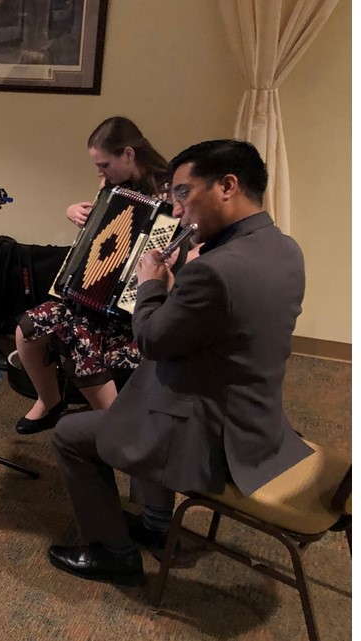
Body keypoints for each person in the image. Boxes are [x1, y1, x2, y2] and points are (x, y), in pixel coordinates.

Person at [46, 139, 313, 586]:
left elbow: (151, 338)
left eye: (184, 193)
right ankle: (153, 524)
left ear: (227, 186)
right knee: (133, 393)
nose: (178, 209)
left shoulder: (216, 270)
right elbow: (221, 322)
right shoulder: (284, 248)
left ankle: (114, 552)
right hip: (256, 416)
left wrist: (151, 283)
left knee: (71, 434)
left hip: (210, 432)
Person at [13, 116, 172, 434]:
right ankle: (50, 400)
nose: (100, 172)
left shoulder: (169, 195)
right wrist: (72, 212)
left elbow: (176, 259)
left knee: (77, 339)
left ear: (128, 154)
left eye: (104, 164)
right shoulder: (110, 188)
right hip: (94, 299)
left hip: (136, 309)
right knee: (26, 328)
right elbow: (98, 238)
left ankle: (117, 426)